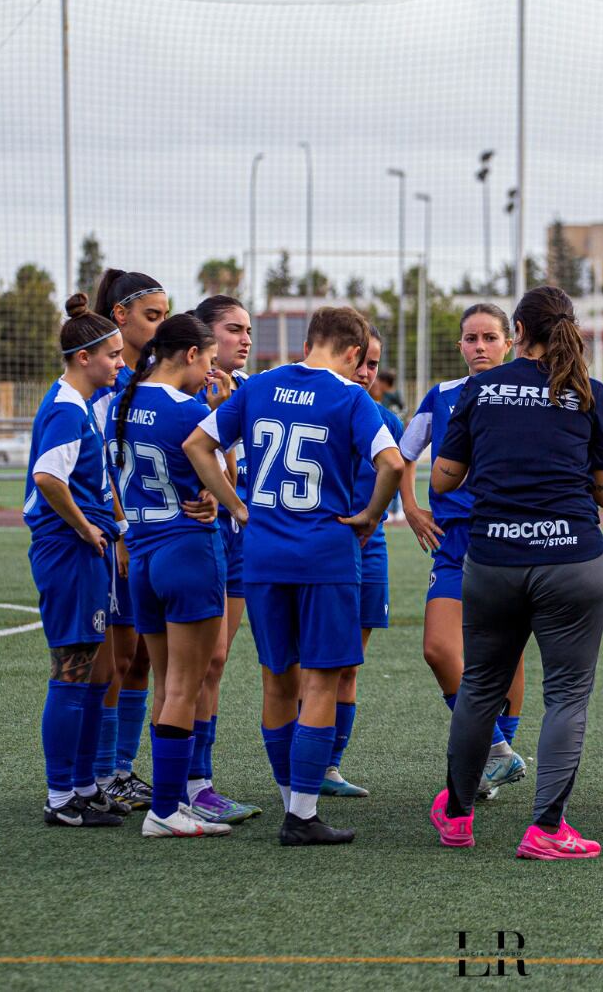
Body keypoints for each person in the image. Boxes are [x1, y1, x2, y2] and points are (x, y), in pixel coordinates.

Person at [186, 306, 403, 846]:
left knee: (276, 680)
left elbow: (198, 444)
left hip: (262, 555)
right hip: (324, 555)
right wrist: (370, 516)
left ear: (309, 341)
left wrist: (236, 506)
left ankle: (292, 800)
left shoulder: (259, 387)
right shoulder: (351, 397)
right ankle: (302, 814)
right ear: (354, 353)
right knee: (321, 680)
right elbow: (393, 464)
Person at [428, 285, 603, 860]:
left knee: (480, 689)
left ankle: (458, 816)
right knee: (567, 697)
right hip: (572, 559)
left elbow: (442, 479)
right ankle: (546, 829)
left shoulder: (480, 388)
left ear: (517, 330)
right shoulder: (589, 390)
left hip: (493, 560)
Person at [110, 313, 238, 839]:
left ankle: (167, 805)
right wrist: (234, 505)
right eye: (208, 360)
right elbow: (219, 466)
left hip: (141, 551)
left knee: (167, 682)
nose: (210, 371)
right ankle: (167, 808)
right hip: (186, 550)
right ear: (190, 355)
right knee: (187, 684)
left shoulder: (124, 399)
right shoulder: (187, 408)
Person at [399, 304, 529, 800]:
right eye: (471, 338)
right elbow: (403, 454)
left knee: (507, 651)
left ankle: (496, 762)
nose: (480, 346)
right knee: (438, 648)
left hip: (509, 538)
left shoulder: (524, 393)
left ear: (508, 343)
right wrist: (410, 506)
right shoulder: (443, 396)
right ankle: (498, 751)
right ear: (460, 347)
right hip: (454, 544)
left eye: (490, 337)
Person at [25, 295, 130, 828]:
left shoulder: (79, 405)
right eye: (112, 354)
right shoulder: (68, 408)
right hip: (68, 553)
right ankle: (61, 797)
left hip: (83, 552)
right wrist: (85, 525)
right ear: (84, 357)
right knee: (70, 671)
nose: (119, 362)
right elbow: (48, 477)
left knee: (89, 670)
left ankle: (82, 785)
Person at [89, 268, 171, 810]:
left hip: (150, 533)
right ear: (120, 317)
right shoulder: (103, 383)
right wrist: (120, 530)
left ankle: (121, 768)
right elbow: (102, 465)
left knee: (140, 656)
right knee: (115, 660)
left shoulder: (147, 377)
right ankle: (98, 775)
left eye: (166, 316)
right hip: (118, 536)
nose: (160, 326)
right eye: (152, 316)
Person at [179, 294, 262, 826]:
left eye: (248, 329)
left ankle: (199, 781)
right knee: (193, 664)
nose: (246, 339)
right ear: (205, 339)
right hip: (190, 540)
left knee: (217, 660)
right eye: (234, 329)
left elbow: (235, 465)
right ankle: (184, 781)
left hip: (237, 541)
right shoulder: (179, 391)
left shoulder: (254, 392)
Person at [320, 325, 407, 798]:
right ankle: (301, 762)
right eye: (362, 361)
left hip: (368, 549)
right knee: (310, 664)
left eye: (374, 364)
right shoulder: (319, 407)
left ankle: (330, 766)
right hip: (318, 547)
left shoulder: (385, 422)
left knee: (350, 664)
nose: (367, 372)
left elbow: (399, 473)